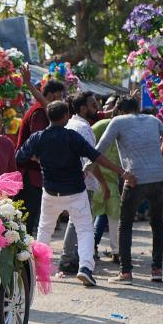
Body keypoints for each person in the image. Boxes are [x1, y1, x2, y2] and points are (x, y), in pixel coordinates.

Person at [16, 100, 135, 286]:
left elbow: (20, 156)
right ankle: (85, 268)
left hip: (50, 192)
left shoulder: (38, 138)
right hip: (75, 192)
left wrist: (40, 158)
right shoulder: (72, 137)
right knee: (85, 230)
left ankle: (39, 270)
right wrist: (121, 171)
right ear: (65, 117)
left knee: (44, 230)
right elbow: (95, 156)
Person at [96, 95, 163, 284]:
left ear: (119, 110)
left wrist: (117, 171)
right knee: (157, 223)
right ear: (137, 107)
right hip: (158, 177)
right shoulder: (152, 119)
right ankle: (157, 270)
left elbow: (98, 150)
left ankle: (125, 272)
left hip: (135, 179)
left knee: (125, 224)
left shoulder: (118, 121)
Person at [60, 92, 106, 274]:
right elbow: (92, 159)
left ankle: (72, 257)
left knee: (77, 220)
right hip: (83, 181)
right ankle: (68, 258)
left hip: (70, 179)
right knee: (78, 220)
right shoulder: (83, 128)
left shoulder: (71, 124)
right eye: (94, 105)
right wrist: (103, 182)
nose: (97, 109)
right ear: (83, 108)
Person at [15, 71, 64, 235]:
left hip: (33, 173)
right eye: (59, 97)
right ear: (49, 96)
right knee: (25, 221)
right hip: (29, 174)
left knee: (28, 221)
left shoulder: (44, 111)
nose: (61, 101)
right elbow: (37, 146)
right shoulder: (40, 113)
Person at [92, 96, 124, 262]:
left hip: (97, 177)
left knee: (93, 216)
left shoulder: (99, 126)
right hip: (103, 178)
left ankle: (91, 249)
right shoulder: (120, 127)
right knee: (113, 216)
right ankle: (116, 251)